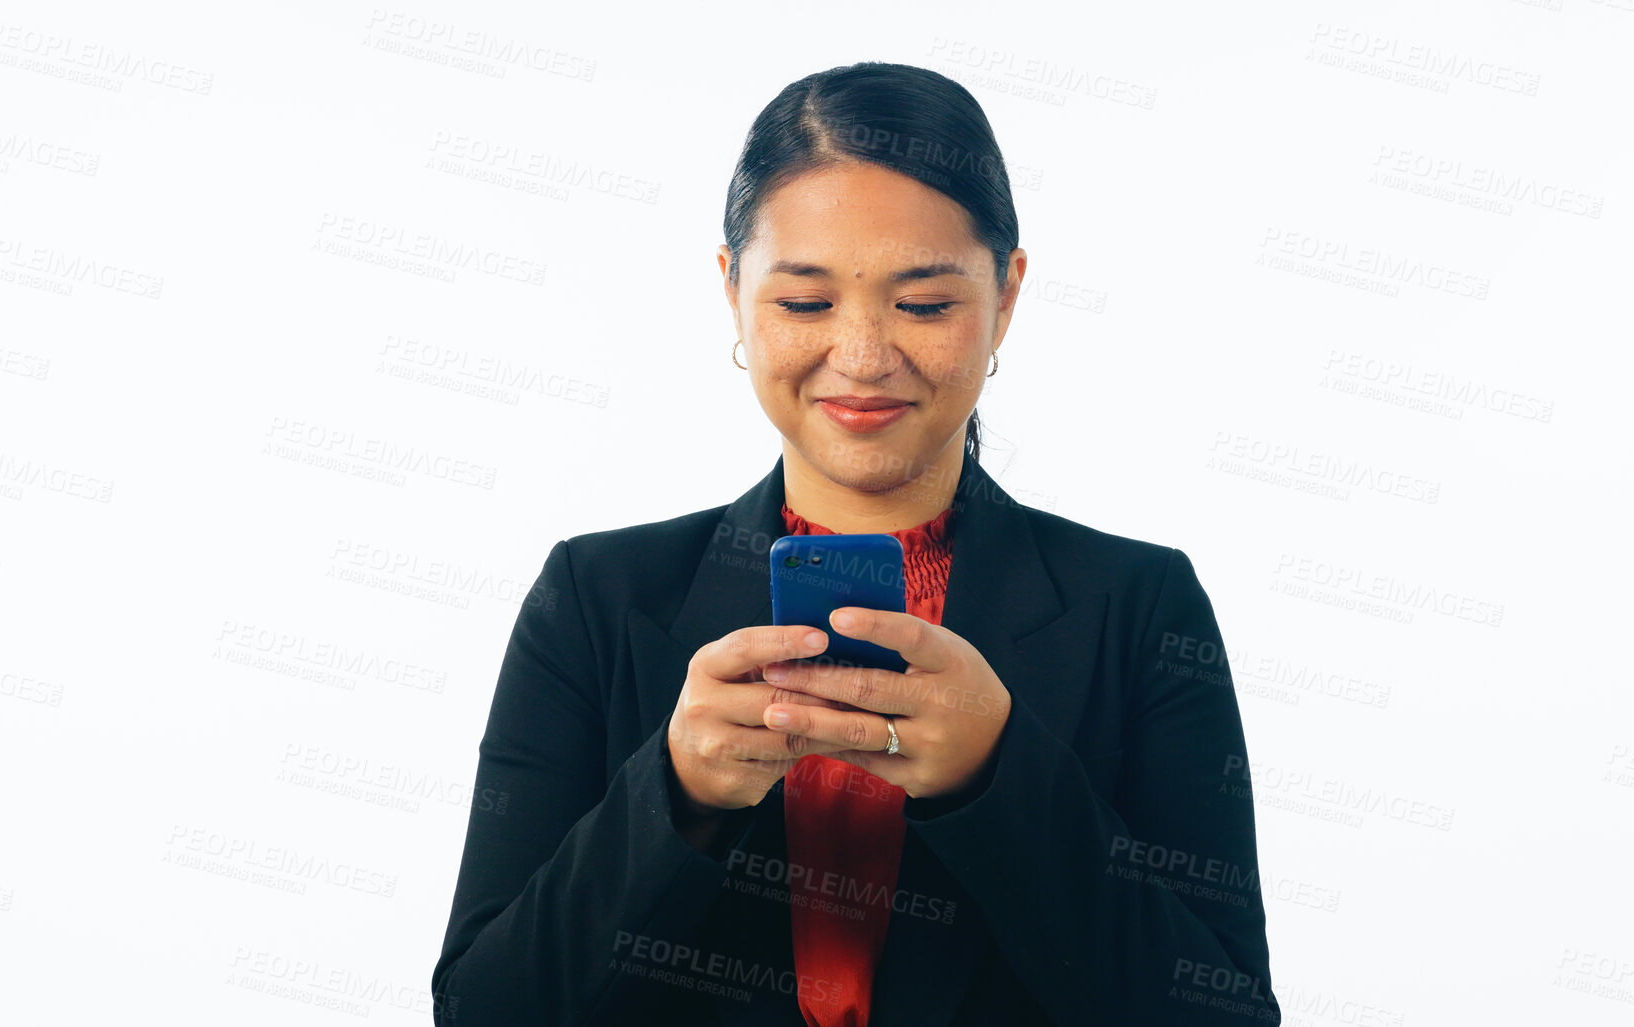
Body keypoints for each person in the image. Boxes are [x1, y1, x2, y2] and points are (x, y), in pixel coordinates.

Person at [431, 61, 1281, 1026]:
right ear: (732, 292)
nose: (865, 356)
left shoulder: (1137, 606)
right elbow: (480, 1011)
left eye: (923, 304)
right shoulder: (593, 597)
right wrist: (676, 796)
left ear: (1005, 296)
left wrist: (994, 779)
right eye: (804, 302)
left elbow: (1226, 1016)